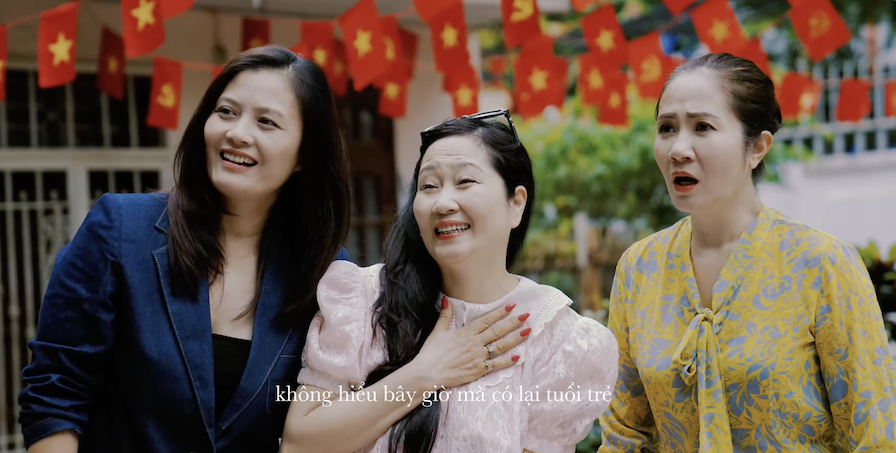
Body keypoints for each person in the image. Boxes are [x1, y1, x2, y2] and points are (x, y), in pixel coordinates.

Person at [18, 45, 354, 452]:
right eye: (226, 111)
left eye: (266, 122)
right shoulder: (121, 229)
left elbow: (324, 420)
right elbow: (55, 394)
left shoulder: (325, 273)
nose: (237, 133)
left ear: (304, 154)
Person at [598, 52, 896, 452]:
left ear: (756, 147)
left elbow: (874, 436)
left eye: (703, 127)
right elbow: (624, 433)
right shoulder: (639, 268)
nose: (678, 149)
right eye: (667, 128)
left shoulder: (822, 264)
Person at [279, 110, 620, 453]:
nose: (442, 204)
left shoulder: (557, 339)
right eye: (428, 186)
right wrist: (426, 373)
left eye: (465, 181)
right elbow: (299, 444)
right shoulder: (364, 300)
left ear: (516, 204)